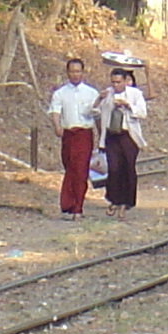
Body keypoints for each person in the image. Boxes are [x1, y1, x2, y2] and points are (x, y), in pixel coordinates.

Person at [46, 56, 101, 219]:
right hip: (68, 135)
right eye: (72, 71)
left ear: (82, 72)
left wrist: (101, 137)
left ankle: (78, 207)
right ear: (67, 73)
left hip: (84, 135)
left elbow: (97, 116)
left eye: (78, 71)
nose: (75, 74)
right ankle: (67, 205)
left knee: (81, 170)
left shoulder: (91, 93)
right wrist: (57, 126)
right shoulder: (60, 93)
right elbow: (55, 111)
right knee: (70, 168)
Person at [94, 64, 146, 217]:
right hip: (112, 136)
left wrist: (127, 105)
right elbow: (93, 111)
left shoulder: (135, 94)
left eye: (119, 82)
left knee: (128, 168)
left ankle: (126, 202)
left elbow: (142, 113)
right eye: (113, 82)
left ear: (125, 81)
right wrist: (99, 99)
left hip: (128, 136)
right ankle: (113, 199)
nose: (116, 85)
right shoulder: (107, 94)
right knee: (114, 168)